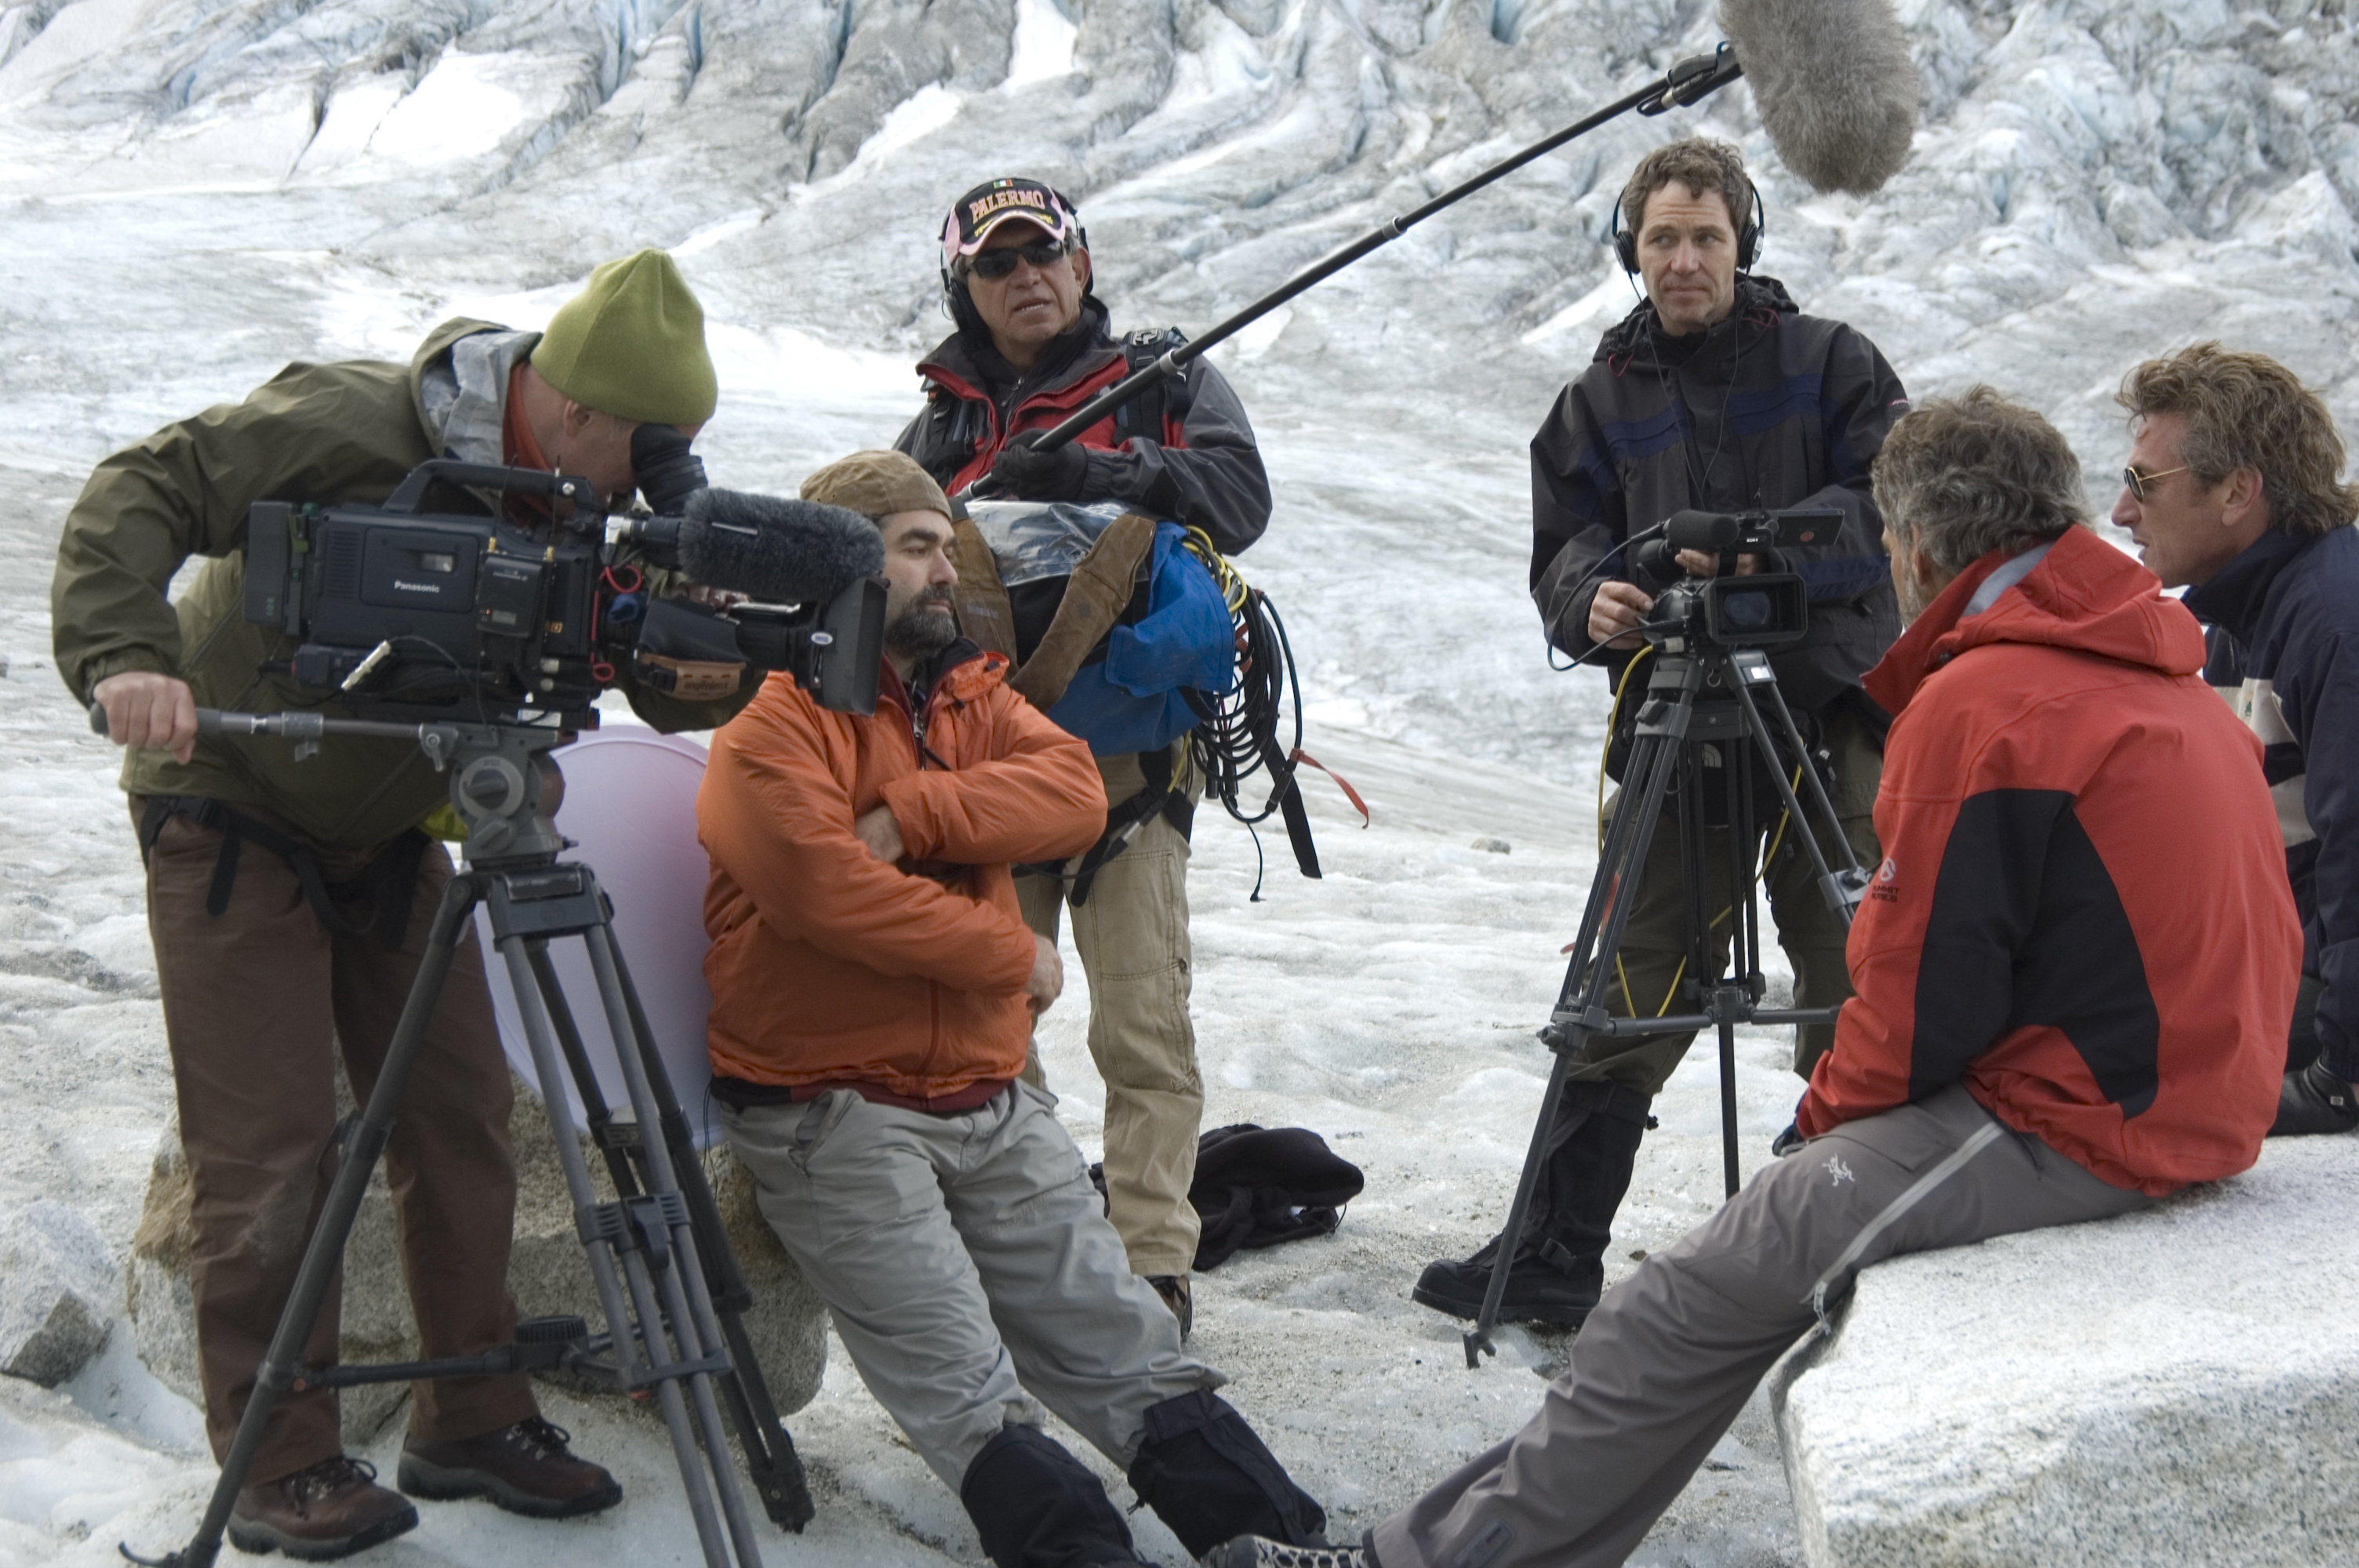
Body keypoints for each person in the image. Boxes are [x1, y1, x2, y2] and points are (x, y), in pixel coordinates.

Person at [1212, 388, 2299, 1568]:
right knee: (1710, 1277)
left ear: (1919, 541)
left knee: (1672, 1305)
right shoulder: (2141, 658)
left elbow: (1928, 987)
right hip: (2178, 1091)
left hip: (2089, 1121)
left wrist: (1816, 1138)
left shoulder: (1994, 700)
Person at [53, 249, 746, 1559]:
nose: (650, 479)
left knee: (462, 1121)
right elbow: (140, 490)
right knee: (267, 1153)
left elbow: (617, 651)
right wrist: (126, 657)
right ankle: (280, 1465)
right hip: (233, 801)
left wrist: (700, 664)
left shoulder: (583, 495)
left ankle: (468, 1413)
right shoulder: (351, 422)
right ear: (579, 406)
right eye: (649, 449)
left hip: (398, 824)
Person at [696, 449, 1329, 1568]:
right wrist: (1006, 952)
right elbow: (821, 891)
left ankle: (1290, 1544)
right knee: (972, 1397)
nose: (950, 570)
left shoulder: (972, 695)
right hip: (833, 1115)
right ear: (844, 568)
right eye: (918, 547)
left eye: (948, 543)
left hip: (985, 1099)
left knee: (1134, 1358)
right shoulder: (771, 729)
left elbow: (1074, 793)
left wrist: (916, 810)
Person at [1416, 136, 1911, 1330]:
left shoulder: (1832, 361)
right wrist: (1592, 597)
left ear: (1745, 243)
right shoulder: (1597, 401)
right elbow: (1562, 552)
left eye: (1706, 238)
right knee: (1632, 969)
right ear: (1630, 254)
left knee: (1858, 959)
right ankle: (1551, 1253)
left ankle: (1867, 1246)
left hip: (1826, 701)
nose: (1684, 261)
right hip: (1679, 711)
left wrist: (1755, 542)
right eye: (1661, 241)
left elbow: (1890, 504)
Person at [896, 176, 1274, 1330]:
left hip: (1132, 780)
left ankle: (1154, 1268)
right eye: (997, 264)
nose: (1027, 278)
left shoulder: (1167, 383)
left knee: (1140, 1026)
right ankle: (1035, 1241)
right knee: (987, 1023)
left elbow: (1240, 501)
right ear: (965, 287)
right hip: (985, 780)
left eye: (1043, 253)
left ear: (1083, 261)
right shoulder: (938, 427)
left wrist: (1104, 475)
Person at [2111, 342, 2359, 1135]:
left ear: (2236, 492)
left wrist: (2340, 1074)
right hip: (2291, 964)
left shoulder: (2330, 621)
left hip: (2327, 993)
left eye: (2141, 483)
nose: (2120, 512)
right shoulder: (2229, 612)